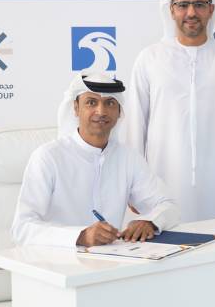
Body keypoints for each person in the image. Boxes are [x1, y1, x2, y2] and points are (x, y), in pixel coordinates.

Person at [126, 0, 215, 222]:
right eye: (183, 5)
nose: (191, 13)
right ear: (171, 10)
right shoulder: (149, 58)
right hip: (161, 184)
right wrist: (134, 184)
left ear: (211, 9)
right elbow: (135, 127)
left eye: (199, 4)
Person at [11, 73, 179, 247]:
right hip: (56, 258)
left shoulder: (129, 159)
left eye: (110, 103)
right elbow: (22, 228)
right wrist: (80, 236)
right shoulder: (48, 157)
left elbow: (168, 205)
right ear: (76, 108)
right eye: (91, 102)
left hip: (111, 259)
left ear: (119, 112)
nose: (101, 111)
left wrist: (150, 221)